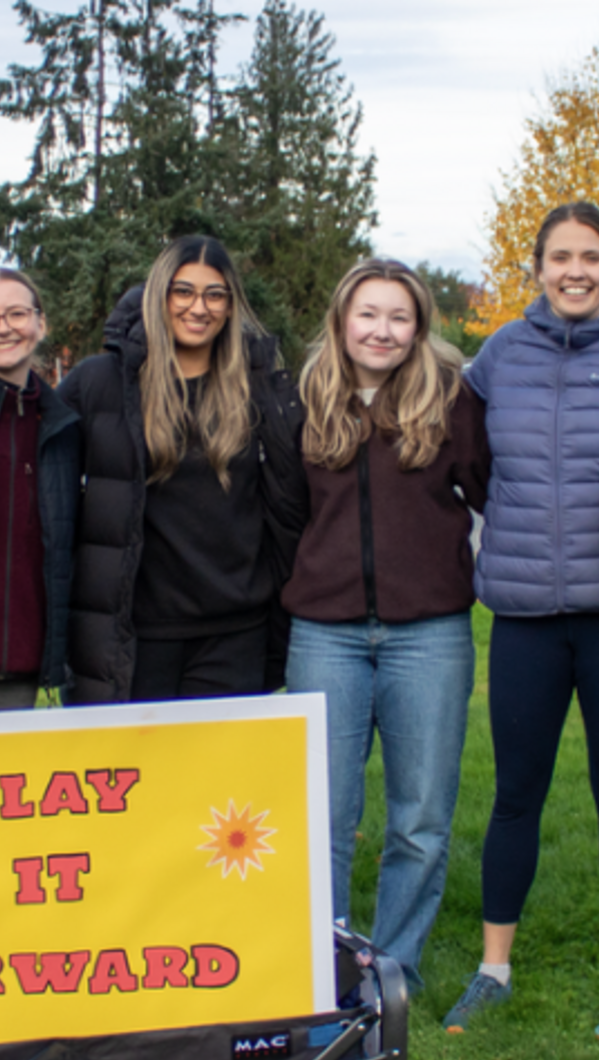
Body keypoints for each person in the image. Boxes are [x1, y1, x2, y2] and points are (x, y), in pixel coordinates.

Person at [441, 201, 599, 1038]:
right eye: (561, 257)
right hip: (523, 614)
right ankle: (493, 969)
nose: (576, 271)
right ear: (537, 267)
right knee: (515, 796)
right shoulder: (497, 361)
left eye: (592, 256)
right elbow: (464, 459)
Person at [283, 259, 489, 986]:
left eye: (399, 317)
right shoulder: (303, 398)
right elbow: (281, 512)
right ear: (342, 320)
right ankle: (329, 963)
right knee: (324, 817)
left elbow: (494, 491)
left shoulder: (451, 400)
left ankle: (392, 969)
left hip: (428, 636)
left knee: (420, 818)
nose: (383, 330)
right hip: (325, 634)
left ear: (420, 326)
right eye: (368, 314)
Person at [61, 235, 306, 704]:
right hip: (136, 635)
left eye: (215, 294)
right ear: (159, 296)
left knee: (219, 779)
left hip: (234, 634)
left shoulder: (259, 391)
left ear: (231, 306)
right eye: (184, 291)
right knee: (141, 779)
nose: (200, 307)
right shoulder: (100, 384)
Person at [0, 268, 79, 709]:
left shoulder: (62, 427)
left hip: (22, 670)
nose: (6, 327)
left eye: (17, 313)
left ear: (41, 324)